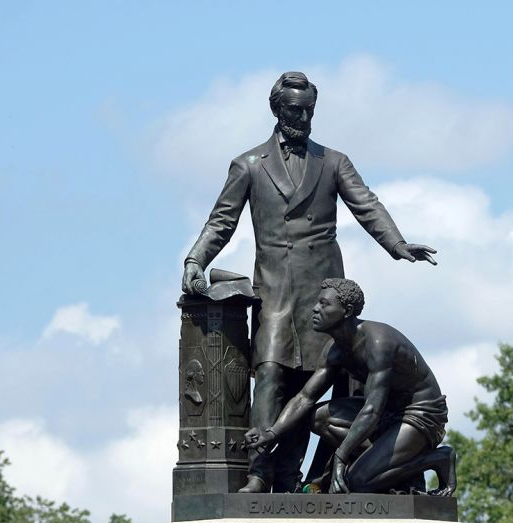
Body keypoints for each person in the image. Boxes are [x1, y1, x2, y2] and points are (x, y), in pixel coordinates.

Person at [181, 71, 437, 494]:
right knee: (270, 375)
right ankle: (260, 473)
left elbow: (367, 204)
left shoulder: (333, 161)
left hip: (325, 293)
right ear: (277, 110)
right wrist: (196, 259)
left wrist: (398, 244)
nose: (303, 118)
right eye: (295, 111)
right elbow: (221, 221)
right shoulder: (248, 165)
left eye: (309, 111)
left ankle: (307, 479)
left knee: (321, 382)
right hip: (276, 291)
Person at [244, 278, 456, 496]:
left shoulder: (378, 343)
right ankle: (383, 464)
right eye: (317, 303)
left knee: (359, 482)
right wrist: (272, 433)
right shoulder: (334, 350)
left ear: (347, 311)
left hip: (420, 417)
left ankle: (437, 459)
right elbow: (305, 398)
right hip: (386, 415)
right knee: (317, 417)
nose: (315, 309)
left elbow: (371, 410)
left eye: (324, 304)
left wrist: (341, 456)